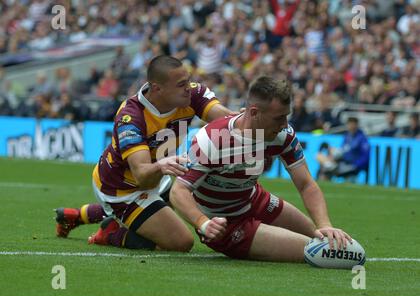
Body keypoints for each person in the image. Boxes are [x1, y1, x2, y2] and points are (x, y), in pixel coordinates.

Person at [55, 55, 237, 251]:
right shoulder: (130, 117)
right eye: (181, 84)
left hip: (159, 175)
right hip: (122, 188)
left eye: (189, 80)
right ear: (157, 88)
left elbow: (227, 122)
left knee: (162, 207)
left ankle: (76, 216)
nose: (189, 87)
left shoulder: (191, 95)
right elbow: (142, 175)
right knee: (180, 242)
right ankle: (112, 234)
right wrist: (161, 166)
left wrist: (245, 120)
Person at [169, 76, 351, 263]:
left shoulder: (283, 135)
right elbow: (179, 191)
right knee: (321, 253)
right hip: (225, 223)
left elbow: (306, 184)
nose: (284, 124)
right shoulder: (212, 140)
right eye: (279, 118)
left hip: (257, 200)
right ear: (254, 113)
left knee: (325, 240)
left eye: (286, 116)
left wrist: (325, 224)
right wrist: (204, 223)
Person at [316, 117, 370, 181]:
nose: (351, 126)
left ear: (357, 125)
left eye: (353, 124)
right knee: (319, 156)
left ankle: (330, 166)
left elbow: (365, 156)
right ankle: (330, 166)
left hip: (352, 165)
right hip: (343, 162)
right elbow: (343, 150)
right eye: (349, 124)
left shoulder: (362, 138)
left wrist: (356, 165)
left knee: (326, 169)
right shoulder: (347, 136)